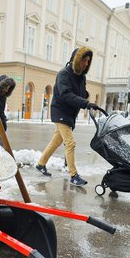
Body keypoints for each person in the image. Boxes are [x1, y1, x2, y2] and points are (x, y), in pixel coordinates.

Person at [35, 47, 98, 186]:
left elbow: (79, 93)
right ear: (77, 60)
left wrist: (85, 97)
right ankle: (73, 175)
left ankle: (41, 163)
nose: (86, 64)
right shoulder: (64, 74)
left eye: (88, 61)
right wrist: (86, 103)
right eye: (84, 60)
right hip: (60, 111)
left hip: (70, 113)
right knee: (70, 143)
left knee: (56, 141)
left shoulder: (81, 76)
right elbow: (66, 94)